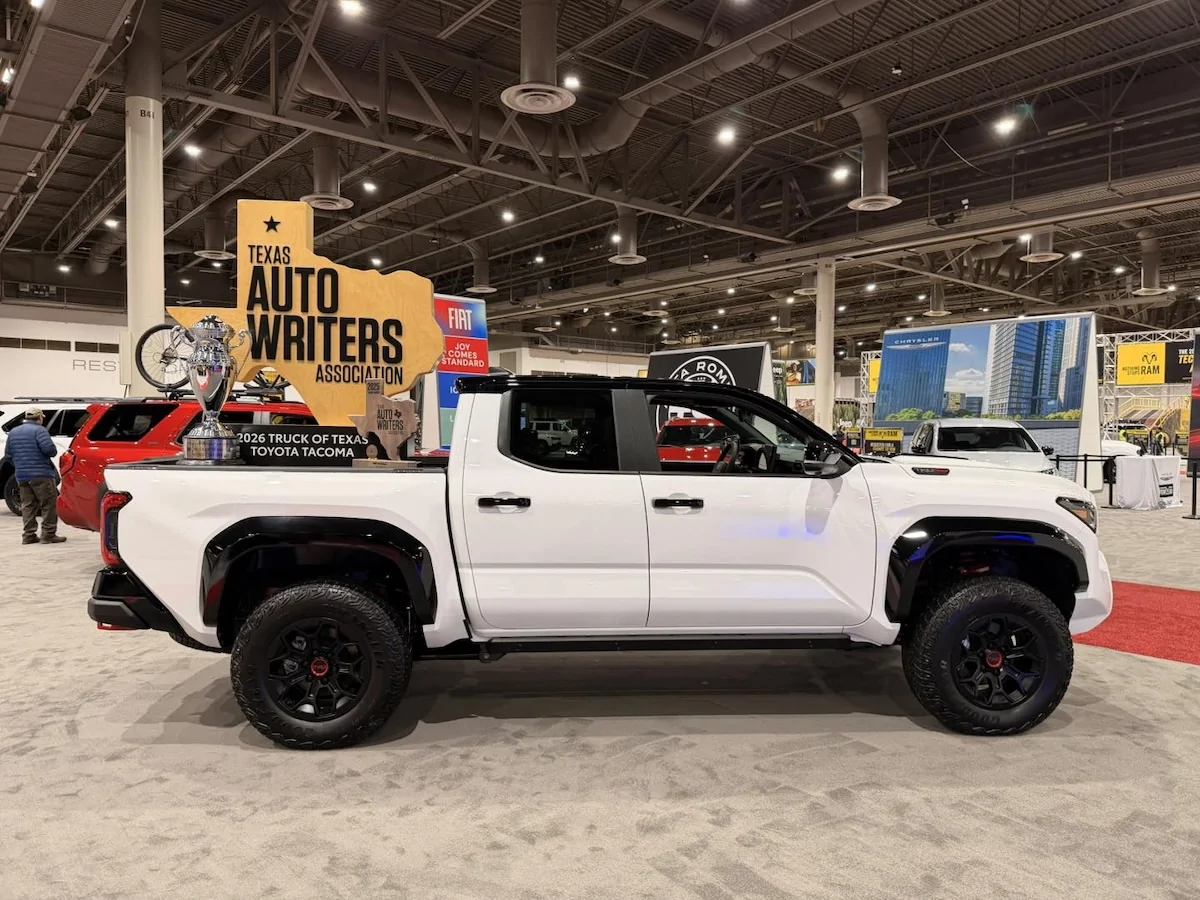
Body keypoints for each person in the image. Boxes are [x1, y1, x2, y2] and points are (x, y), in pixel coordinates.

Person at [7, 407, 65, 545]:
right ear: (39, 418)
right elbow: (50, 450)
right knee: (48, 504)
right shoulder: (40, 430)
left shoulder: (13, 432)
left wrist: (21, 465)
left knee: (27, 505)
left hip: (21, 475)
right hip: (41, 474)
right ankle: (48, 535)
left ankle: (28, 535)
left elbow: (8, 455)